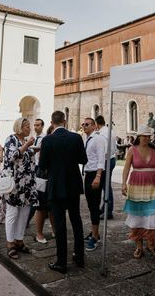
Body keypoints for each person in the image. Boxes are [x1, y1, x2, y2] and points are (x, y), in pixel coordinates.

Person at [39, 111, 87, 274]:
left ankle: (61, 261)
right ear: (65, 121)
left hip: (56, 185)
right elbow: (83, 160)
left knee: (59, 224)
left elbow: (43, 165)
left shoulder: (47, 140)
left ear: (52, 122)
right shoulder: (76, 138)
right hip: (73, 184)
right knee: (76, 220)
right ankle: (79, 257)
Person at [122, 125, 155, 261]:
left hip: (154, 187)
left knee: (153, 217)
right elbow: (126, 168)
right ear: (139, 136)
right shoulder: (132, 150)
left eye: (148, 136)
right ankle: (139, 246)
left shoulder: (154, 150)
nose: (146, 138)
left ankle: (152, 246)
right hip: (136, 187)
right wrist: (123, 183)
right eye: (144, 135)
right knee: (137, 217)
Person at [2, 117, 38, 260]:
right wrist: (27, 145)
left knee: (24, 213)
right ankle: (10, 243)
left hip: (27, 183)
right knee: (12, 213)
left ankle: (19, 240)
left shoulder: (25, 142)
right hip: (14, 183)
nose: (30, 129)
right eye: (27, 126)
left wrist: (34, 149)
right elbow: (12, 156)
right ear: (20, 127)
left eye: (29, 126)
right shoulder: (11, 139)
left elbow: (27, 156)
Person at [81, 117, 107, 251]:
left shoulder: (98, 139)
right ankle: (94, 231)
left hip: (95, 174)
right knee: (91, 206)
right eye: (83, 124)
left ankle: (96, 237)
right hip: (88, 173)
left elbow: (101, 159)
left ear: (94, 126)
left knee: (94, 205)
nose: (84, 126)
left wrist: (98, 176)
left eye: (87, 124)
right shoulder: (88, 138)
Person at [31, 118, 55, 244]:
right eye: (34, 125)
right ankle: (39, 233)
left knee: (50, 205)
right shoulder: (43, 141)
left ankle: (54, 230)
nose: (35, 127)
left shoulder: (45, 139)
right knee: (41, 205)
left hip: (48, 173)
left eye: (38, 125)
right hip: (41, 171)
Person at [96, 115, 116, 220]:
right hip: (112, 158)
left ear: (97, 124)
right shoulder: (110, 131)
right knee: (106, 185)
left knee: (106, 186)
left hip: (106, 160)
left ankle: (108, 210)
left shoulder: (102, 134)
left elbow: (104, 150)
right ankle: (105, 207)